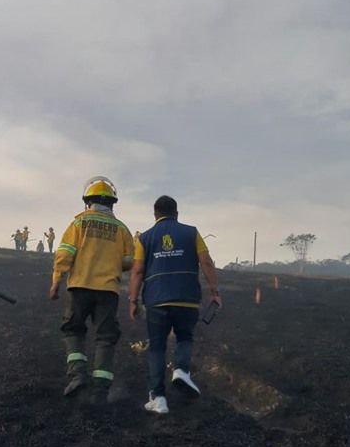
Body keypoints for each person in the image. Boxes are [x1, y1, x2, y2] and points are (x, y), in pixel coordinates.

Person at [128, 195, 221, 415]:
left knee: (157, 347)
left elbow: (138, 270)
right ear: (176, 213)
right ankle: (181, 370)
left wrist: (133, 300)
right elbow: (206, 261)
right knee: (185, 337)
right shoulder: (192, 232)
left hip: (156, 300)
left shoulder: (145, 238)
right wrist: (215, 292)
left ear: (155, 214)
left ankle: (158, 399)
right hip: (187, 298)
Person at [49, 176, 134, 402]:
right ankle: (101, 390)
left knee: (73, 329)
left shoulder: (78, 224)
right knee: (105, 337)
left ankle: (77, 375)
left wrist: (56, 281)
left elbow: (65, 254)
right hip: (108, 290)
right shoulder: (122, 229)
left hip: (80, 286)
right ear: (112, 203)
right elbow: (128, 261)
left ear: (88, 201)